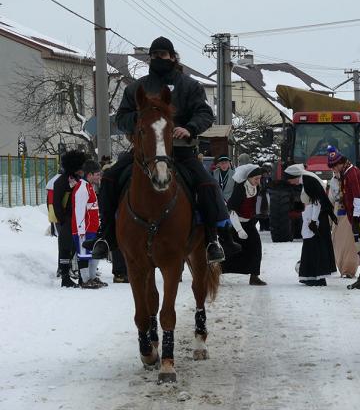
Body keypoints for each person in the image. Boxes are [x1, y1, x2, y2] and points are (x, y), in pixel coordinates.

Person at [85, 36, 240, 263]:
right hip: (144, 152)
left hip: (181, 152)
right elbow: (121, 117)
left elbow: (206, 114)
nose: (159, 58)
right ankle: (105, 235)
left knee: (207, 184)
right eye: (155, 55)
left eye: (163, 55)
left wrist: (189, 128)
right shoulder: (137, 88)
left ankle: (214, 239)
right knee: (109, 178)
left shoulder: (190, 85)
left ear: (172, 57)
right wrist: (143, 120)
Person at [327, 145, 360, 290]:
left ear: (340, 163)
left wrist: (355, 219)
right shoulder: (347, 172)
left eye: (334, 166)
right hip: (358, 218)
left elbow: (358, 198)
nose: (333, 169)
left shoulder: (352, 174)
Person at [285, 164, 337, 286]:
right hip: (312, 217)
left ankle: (316, 277)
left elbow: (317, 202)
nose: (291, 183)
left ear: (295, 176)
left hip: (316, 218)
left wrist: (314, 221)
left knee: (315, 247)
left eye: (290, 180)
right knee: (312, 247)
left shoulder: (309, 181)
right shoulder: (307, 179)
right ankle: (311, 276)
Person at [223, 164, 267, 285]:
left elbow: (255, 206)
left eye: (259, 179)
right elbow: (231, 210)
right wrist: (239, 230)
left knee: (256, 247)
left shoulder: (256, 188)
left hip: (249, 223)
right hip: (235, 224)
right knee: (229, 250)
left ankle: (254, 276)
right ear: (248, 178)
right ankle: (216, 273)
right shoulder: (240, 189)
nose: (258, 182)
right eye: (256, 179)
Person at [53, 150, 88, 288]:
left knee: (74, 248)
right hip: (67, 220)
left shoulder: (79, 180)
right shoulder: (61, 182)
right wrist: (63, 220)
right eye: (80, 167)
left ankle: (78, 275)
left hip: (77, 219)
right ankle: (65, 277)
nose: (82, 170)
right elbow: (56, 203)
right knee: (65, 248)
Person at [71, 160, 106, 289]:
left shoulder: (89, 187)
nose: (99, 177)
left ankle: (92, 278)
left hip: (92, 228)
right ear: (89, 174)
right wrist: (81, 230)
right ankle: (85, 280)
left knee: (93, 253)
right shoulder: (81, 188)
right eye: (97, 174)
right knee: (84, 254)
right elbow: (79, 211)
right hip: (84, 230)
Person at [328, 172, 359, 278]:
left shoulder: (352, 179)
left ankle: (349, 269)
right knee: (337, 240)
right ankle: (341, 267)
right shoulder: (333, 181)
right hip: (338, 213)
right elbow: (331, 199)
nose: (335, 172)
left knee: (350, 243)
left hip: (351, 213)